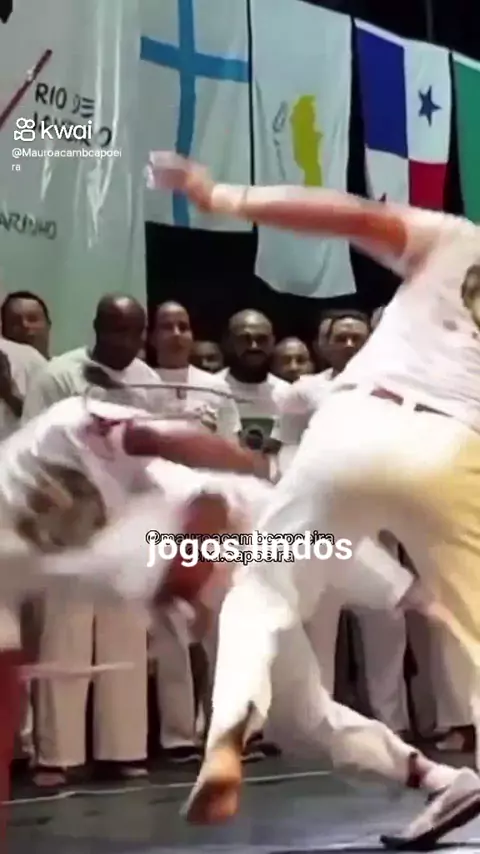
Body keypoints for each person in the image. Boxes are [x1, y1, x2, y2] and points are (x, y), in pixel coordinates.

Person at [149, 153, 480, 847]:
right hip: (456, 447)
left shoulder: (458, 240)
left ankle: (228, 731)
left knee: (259, 592)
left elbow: (346, 214)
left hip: (357, 422)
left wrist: (224, 195)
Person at [22, 294, 161, 787]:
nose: (124, 341)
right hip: (70, 520)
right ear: (97, 328)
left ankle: (121, 750)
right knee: (66, 639)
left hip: (127, 521)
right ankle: (56, 755)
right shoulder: (58, 375)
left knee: (125, 639)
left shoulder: (148, 380)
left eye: (133, 332)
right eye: (114, 330)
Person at [149, 301, 241, 764]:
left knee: (222, 625)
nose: (176, 333)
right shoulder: (138, 382)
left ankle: (225, 728)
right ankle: (178, 736)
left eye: (183, 325)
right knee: (169, 629)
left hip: (211, 515)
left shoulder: (215, 387)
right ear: (152, 335)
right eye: (166, 326)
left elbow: (231, 451)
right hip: (160, 515)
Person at [1, 291, 51, 358]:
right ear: (3, 330)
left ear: (48, 325)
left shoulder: (63, 363)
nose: (24, 325)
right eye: (15, 321)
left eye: (32, 319)